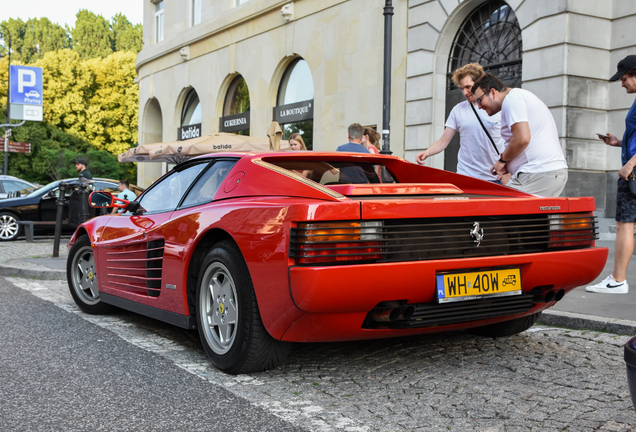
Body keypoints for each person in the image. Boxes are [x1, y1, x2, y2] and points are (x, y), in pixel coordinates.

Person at [586, 55, 636, 294]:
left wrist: (630, 165)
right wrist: (617, 142)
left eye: (624, 78)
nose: (622, 83)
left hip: (633, 173)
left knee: (624, 225)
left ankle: (618, 280)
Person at [471, 73, 568, 196]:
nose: (479, 107)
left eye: (480, 100)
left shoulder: (512, 99)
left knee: (500, 209)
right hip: (543, 172)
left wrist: (502, 160)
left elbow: (522, 138)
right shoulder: (518, 97)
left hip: (537, 172)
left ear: (493, 92)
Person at [416, 63, 506, 183]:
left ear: (479, 83)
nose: (465, 92)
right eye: (462, 88)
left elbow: (512, 140)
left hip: (494, 176)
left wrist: (508, 168)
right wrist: (428, 152)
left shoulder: (497, 107)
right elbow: (443, 141)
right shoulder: (458, 110)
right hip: (466, 175)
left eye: (468, 87)